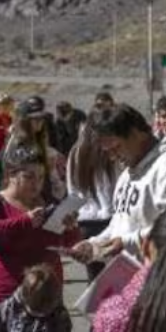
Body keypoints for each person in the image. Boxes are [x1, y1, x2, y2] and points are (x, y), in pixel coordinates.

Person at [69, 104, 166, 265]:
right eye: (107, 151)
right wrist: (94, 245)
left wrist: (128, 242)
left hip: (163, 278)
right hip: (133, 280)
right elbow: (120, 225)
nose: (113, 157)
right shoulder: (127, 175)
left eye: (116, 147)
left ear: (136, 134)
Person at [0, 145, 81, 324]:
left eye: (40, 177)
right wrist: (25, 221)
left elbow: (66, 243)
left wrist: (71, 229)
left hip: (46, 295)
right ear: (10, 175)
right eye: (28, 177)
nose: (36, 183)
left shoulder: (48, 203)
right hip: (5, 296)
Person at [66, 115, 118, 282]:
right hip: (108, 221)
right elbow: (113, 188)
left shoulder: (74, 153)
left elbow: (72, 191)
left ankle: (94, 307)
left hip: (85, 222)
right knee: (114, 279)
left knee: (95, 278)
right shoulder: (106, 153)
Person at [0, 96, 66, 202]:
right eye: (34, 119)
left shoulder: (39, 144)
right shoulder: (18, 145)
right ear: (24, 121)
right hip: (19, 203)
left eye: (41, 119)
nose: (39, 122)